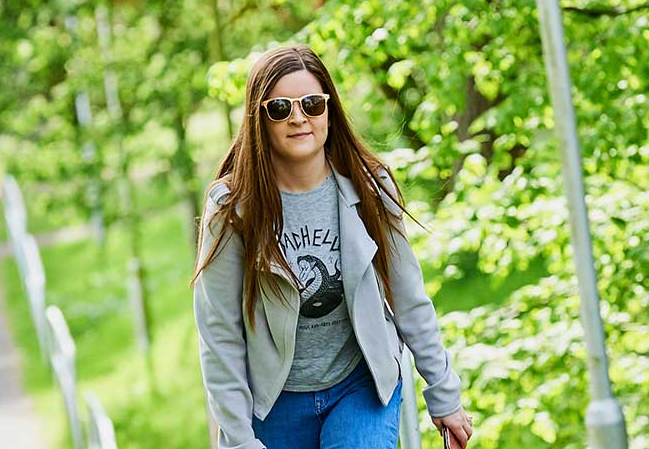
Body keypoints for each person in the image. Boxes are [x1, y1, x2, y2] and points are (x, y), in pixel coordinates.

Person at [192, 45, 475, 449]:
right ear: (260, 121)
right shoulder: (233, 209)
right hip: (273, 404)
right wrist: (239, 440)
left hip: (359, 385)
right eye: (280, 109)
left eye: (311, 103)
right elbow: (219, 335)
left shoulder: (370, 186)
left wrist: (443, 392)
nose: (298, 117)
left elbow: (410, 298)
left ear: (329, 109)